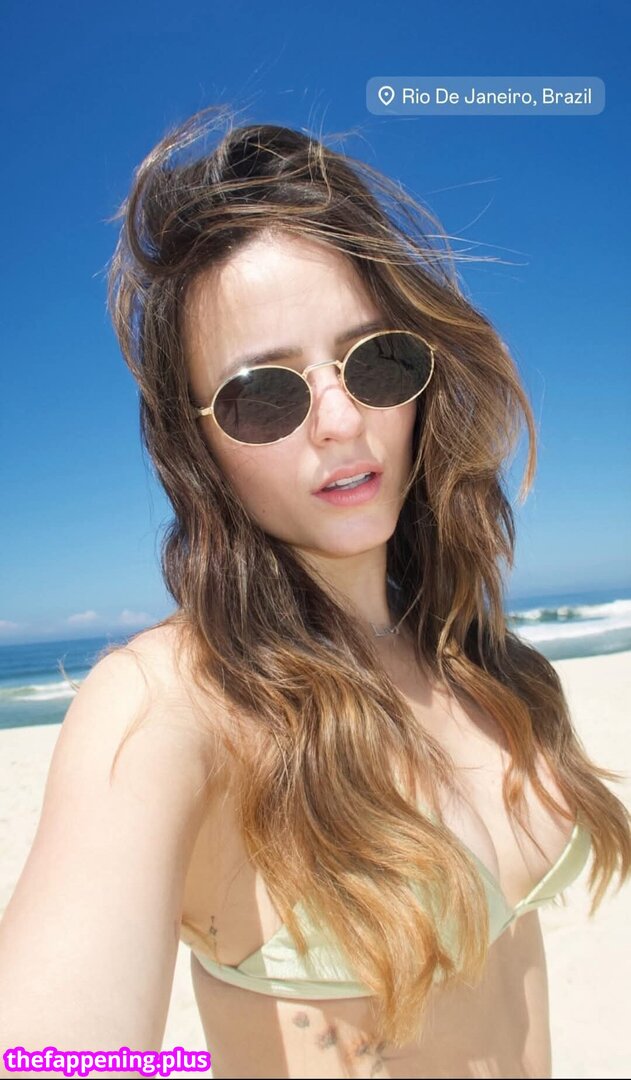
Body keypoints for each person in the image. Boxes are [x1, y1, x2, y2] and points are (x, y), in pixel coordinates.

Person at [1, 104, 630, 1080]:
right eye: (265, 393)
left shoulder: (472, 652)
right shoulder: (169, 705)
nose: (339, 420)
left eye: (374, 360)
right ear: (197, 444)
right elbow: (46, 1054)